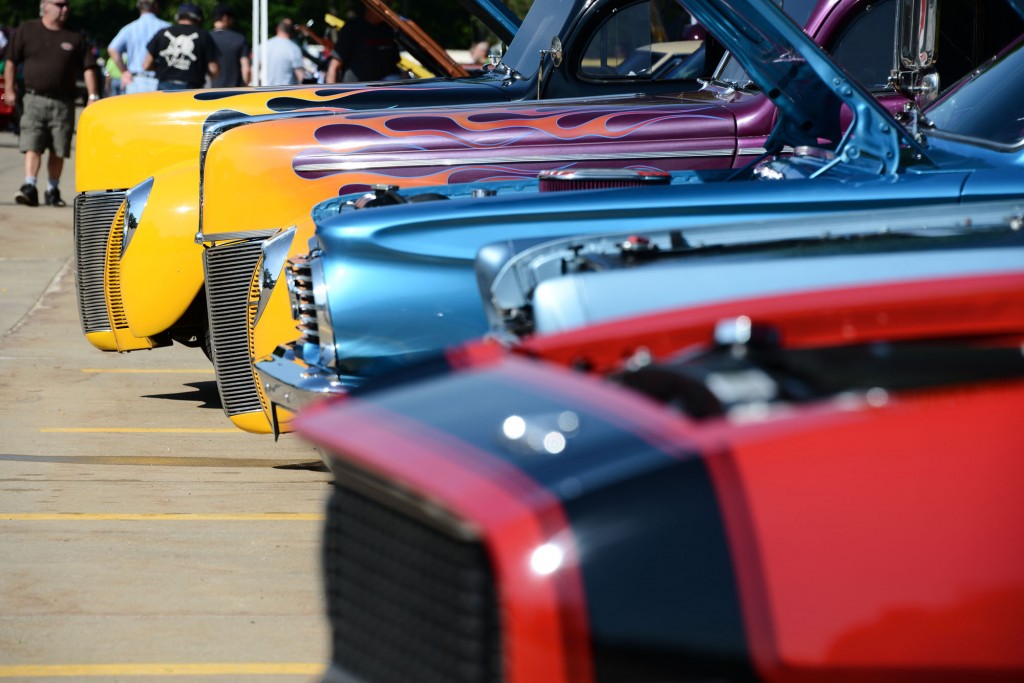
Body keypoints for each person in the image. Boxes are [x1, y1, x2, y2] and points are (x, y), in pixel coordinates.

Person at [3, 0, 100, 208]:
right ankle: (29, 186)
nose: (65, 9)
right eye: (60, 4)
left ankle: (52, 189)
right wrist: (9, 89)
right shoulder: (27, 29)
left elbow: (88, 67)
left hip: (63, 102)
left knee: (59, 147)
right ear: (45, 5)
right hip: (33, 98)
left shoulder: (75, 35)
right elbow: (11, 60)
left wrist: (93, 96)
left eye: (67, 5)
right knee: (32, 142)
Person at [143, 3, 220, 90]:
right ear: (198, 19)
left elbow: (146, 65)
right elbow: (214, 70)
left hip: (164, 88)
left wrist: (163, 67)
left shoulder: (162, 33)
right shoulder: (204, 36)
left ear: (178, 17)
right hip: (191, 89)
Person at [325, 2, 400, 83]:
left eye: (389, 4)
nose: (387, 10)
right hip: (356, 91)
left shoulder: (388, 30)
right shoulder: (353, 28)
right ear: (370, 6)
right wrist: (333, 93)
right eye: (384, 4)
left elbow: (393, 66)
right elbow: (334, 66)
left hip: (383, 91)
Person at [106, 0, 170, 95]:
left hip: (135, 81)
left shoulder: (129, 28)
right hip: (160, 81)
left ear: (139, 7)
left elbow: (112, 49)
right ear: (156, 5)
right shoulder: (167, 27)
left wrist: (124, 72)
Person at [210, 4, 251, 87]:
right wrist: (246, 85)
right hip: (235, 92)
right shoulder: (239, 39)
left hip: (209, 92)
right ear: (225, 18)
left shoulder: (205, 38)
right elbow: (246, 70)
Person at [261, 18, 305, 86]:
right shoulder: (294, 48)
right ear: (290, 31)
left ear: (277, 29)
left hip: (264, 91)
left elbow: (253, 70)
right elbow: (300, 76)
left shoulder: (263, 46)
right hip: (286, 92)